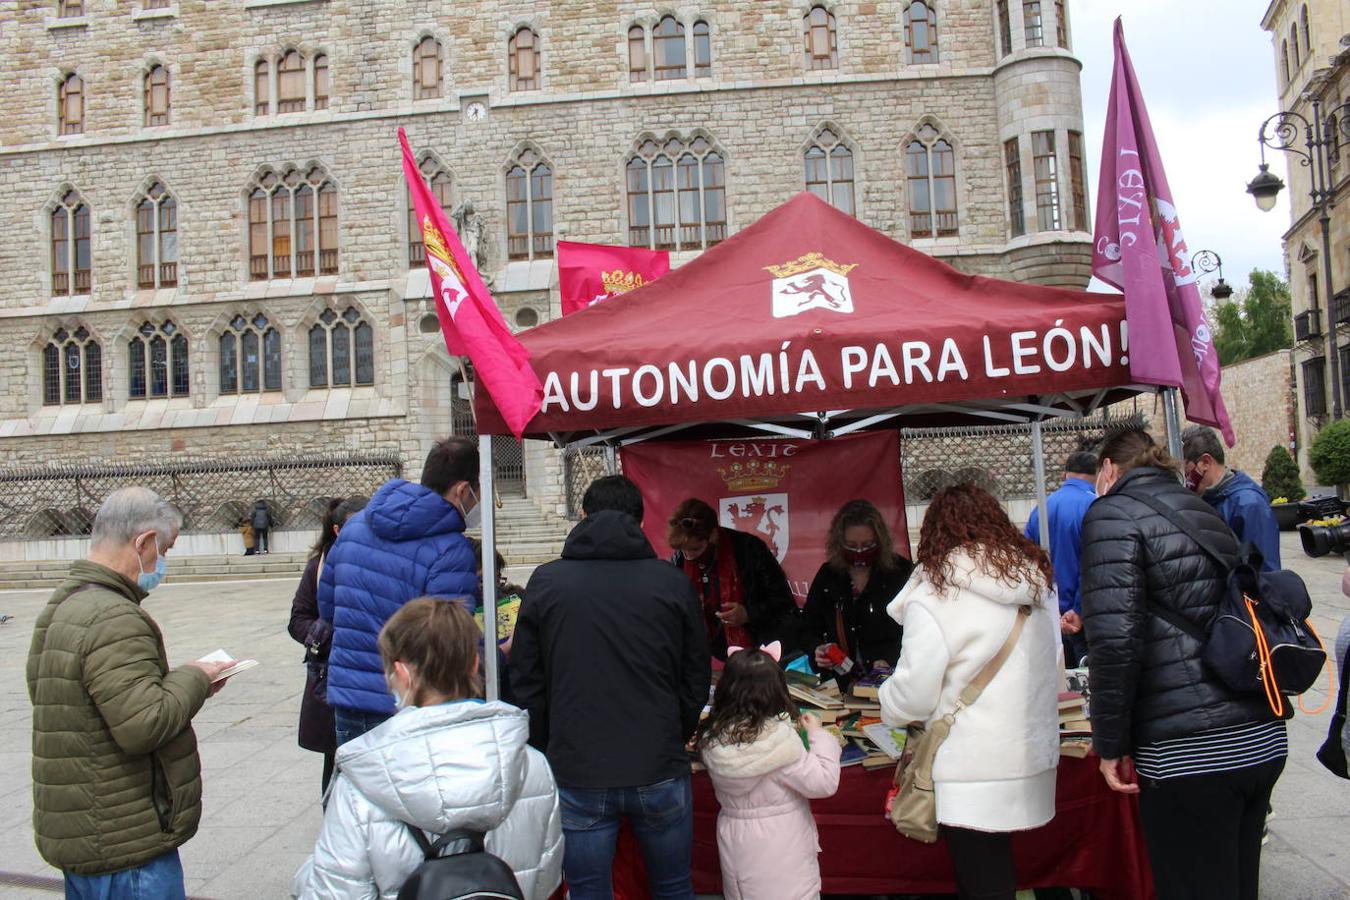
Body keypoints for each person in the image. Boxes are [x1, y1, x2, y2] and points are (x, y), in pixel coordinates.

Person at [1081, 428, 1285, 900]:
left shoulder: (1110, 513)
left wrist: (1109, 744)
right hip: (1259, 733)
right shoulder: (1200, 507)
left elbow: (1115, 642)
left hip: (1191, 750)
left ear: (1108, 469)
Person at [27, 487, 235, 898]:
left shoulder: (63, 603)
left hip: (84, 832)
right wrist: (197, 677)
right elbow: (144, 724)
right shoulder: (113, 617)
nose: (164, 563)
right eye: (166, 548)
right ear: (143, 543)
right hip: (126, 842)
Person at [511, 475, 711, 900]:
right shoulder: (670, 583)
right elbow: (696, 674)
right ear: (639, 523)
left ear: (583, 516)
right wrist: (675, 731)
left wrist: (550, 744)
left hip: (581, 766)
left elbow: (527, 683)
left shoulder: (547, 583)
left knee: (588, 890)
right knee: (674, 887)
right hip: (654, 760)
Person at [292, 598, 563, 899]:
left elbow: (336, 892)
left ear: (402, 673)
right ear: (474, 663)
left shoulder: (361, 782)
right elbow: (546, 877)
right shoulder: (532, 765)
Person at [878, 484, 1060, 900]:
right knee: (996, 872)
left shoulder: (936, 593)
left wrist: (886, 701)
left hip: (969, 766)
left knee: (980, 877)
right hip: (1027, 753)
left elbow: (915, 693)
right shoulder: (1031, 582)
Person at [320, 437, 481, 745]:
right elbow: (449, 636)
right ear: (462, 490)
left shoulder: (355, 528)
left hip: (349, 697)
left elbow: (327, 609)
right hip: (412, 700)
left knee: (359, 788)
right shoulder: (452, 550)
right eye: (479, 491)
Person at [698, 644, 841, 900]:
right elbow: (824, 782)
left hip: (736, 841)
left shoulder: (715, 736)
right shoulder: (778, 742)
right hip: (782, 844)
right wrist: (818, 735)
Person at [288, 495, 368, 796]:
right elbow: (298, 620)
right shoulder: (318, 567)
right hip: (332, 676)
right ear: (337, 530)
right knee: (335, 761)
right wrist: (328, 633)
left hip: (371, 678)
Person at [667, 497, 799, 660]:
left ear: (713, 535)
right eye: (683, 550)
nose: (689, 556)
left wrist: (748, 614)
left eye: (695, 549)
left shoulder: (749, 549)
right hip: (707, 651)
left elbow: (784, 602)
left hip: (759, 649)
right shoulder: (679, 559)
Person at [801, 499, 913, 685]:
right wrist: (817, 649)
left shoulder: (900, 572)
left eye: (868, 544)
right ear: (839, 543)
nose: (860, 551)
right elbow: (807, 627)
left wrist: (888, 658)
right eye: (851, 545)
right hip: (842, 685)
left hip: (893, 683)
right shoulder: (828, 575)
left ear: (880, 541)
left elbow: (916, 627)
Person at [1023, 450, 1098, 667]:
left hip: (1051, 614)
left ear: (1065, 475)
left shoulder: (1041, 509)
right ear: (1097, 474)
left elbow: (1028, 561)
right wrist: (1078, 608)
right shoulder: (1094, 506)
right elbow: (1094, 564)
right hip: (1084, 616)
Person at [1181, 424, 1281, 571]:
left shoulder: (1249, 505)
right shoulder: (1206, 499)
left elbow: (1264, 573)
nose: (1185, 481)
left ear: (1205, 463)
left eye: (1187, 473)